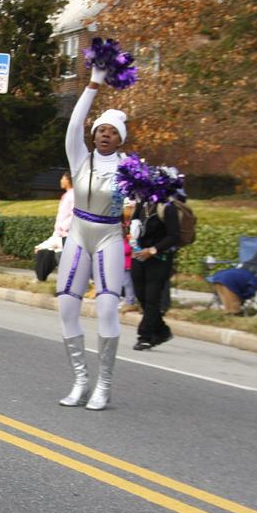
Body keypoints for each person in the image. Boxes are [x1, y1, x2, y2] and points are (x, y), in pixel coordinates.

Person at [56, 65, 126, 410]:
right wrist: (94, 83)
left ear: (121, 139)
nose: (105, 135)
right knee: (67, 305)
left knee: (108, 306)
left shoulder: (130, 168)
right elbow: (73, 126)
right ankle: (81, 380)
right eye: (101, 130)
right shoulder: (80, 158)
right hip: (79, 233)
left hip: (110, 235)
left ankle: (104, 384)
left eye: (113, 132)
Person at [129, 195, 181, 350]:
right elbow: (135, 227)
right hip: (139, 256)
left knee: (152, 297)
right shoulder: (142, 204)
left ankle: (144, 336)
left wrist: (152, 250)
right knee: (141, 296)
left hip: (160, 258)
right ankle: (162, 331)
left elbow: (174, 236)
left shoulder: (167, 207)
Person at [212, 217, 257, 315]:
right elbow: (254, 261)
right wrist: (244, 266)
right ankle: (232, 308)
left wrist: (251, 269)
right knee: (220, 276)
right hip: (253, 273)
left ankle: (235, 311)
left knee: (226, 278)